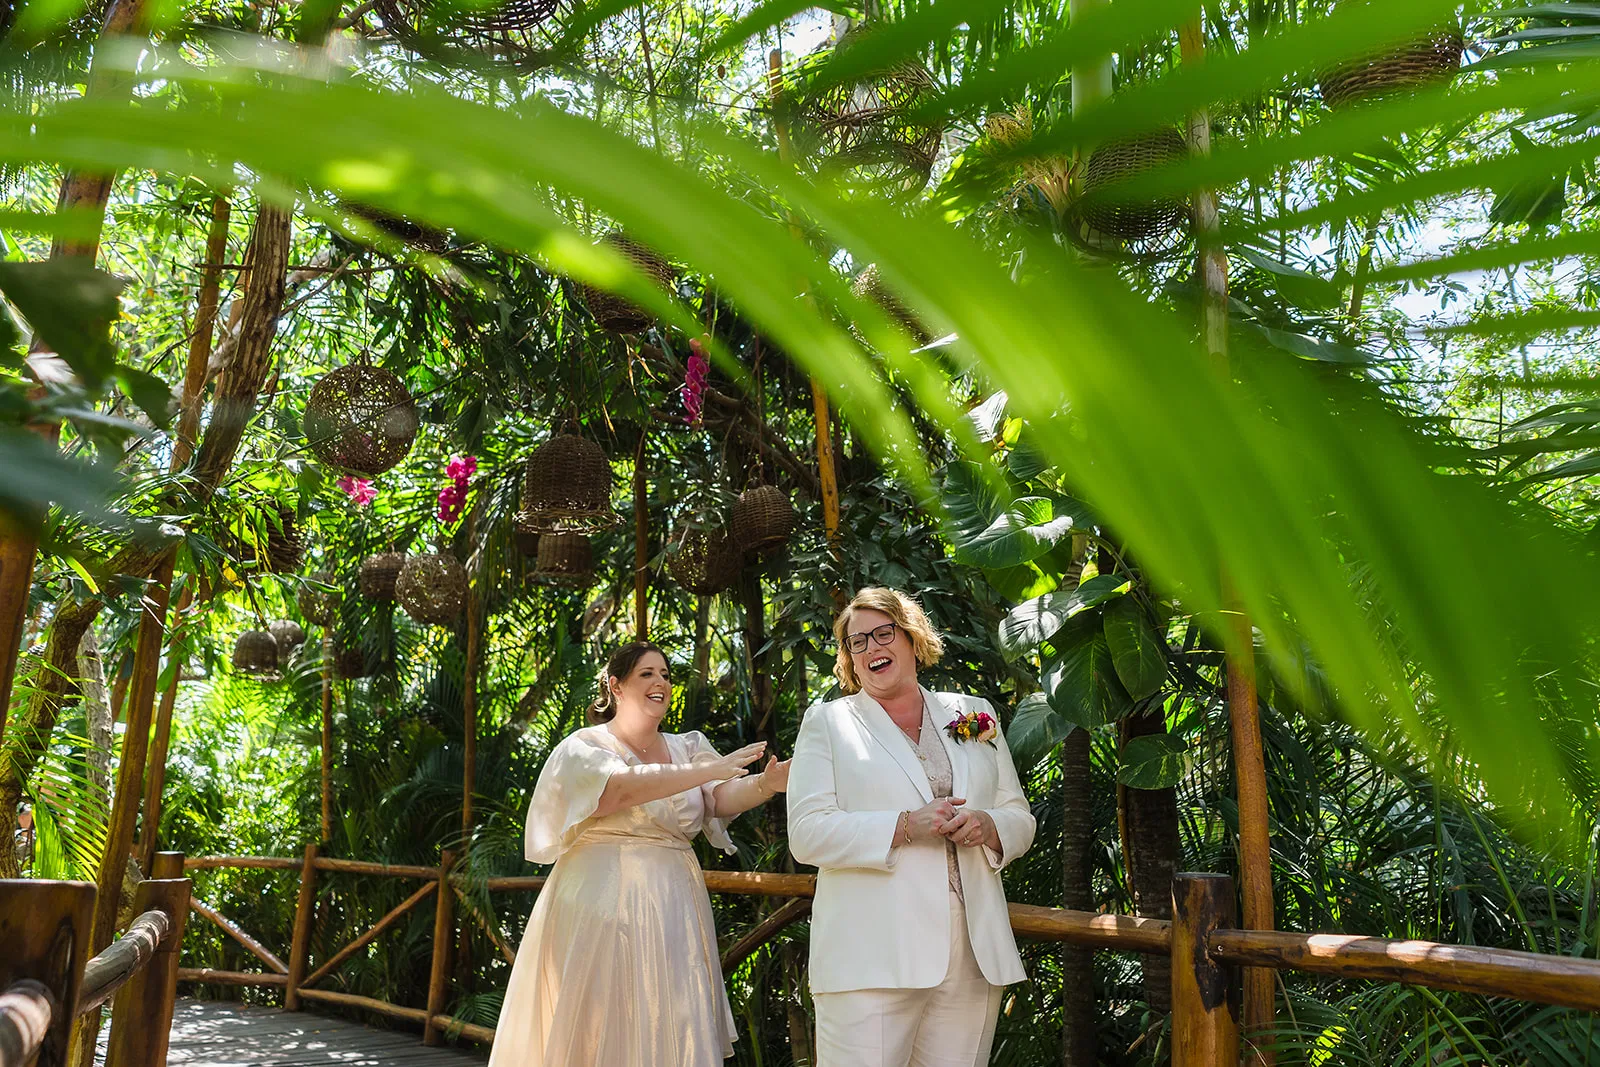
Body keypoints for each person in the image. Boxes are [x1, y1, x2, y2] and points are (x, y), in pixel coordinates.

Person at [487, 641, 790, 1067]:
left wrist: (766, 785)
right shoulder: (584, 745)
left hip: (673, 902)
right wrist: (711, 769)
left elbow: (719, 798)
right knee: (601, 1016)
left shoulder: (687, 746)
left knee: (670, 1013)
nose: (661, 682)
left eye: (665, 674)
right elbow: (618, 790)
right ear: (616, 686)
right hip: (599, 902)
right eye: (647, 674)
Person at [788, 588, 1036, 1067]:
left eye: (884, 633)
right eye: (856, 642)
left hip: (972, 953)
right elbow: (806, 833)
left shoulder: (972, 712)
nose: (871, 648)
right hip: (872, 955)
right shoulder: (829, 722)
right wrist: (904, 825)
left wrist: (988, 825)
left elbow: (1019, 815)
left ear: (912, 637)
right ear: (849, 660)